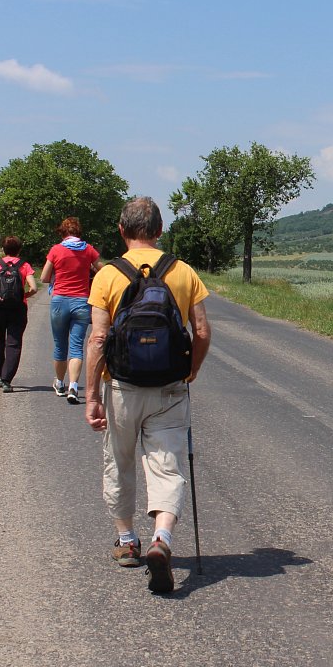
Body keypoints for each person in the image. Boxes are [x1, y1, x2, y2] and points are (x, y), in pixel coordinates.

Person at [83, 197, 211, 593]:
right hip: (170, 386)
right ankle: (162, 538)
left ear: (122, 230)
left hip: (122, 386)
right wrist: (191, 369)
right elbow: (202, 331)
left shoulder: (108, 274)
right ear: (160, 230)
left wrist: (92, 395)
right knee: (167, 467)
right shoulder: (183, 271)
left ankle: (126, 541)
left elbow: (98, 339)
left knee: (119, 462)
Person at [40, 217, 104, 405]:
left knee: (60, 345)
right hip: (82, 302)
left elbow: (44, 277)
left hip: (60, 301)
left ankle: (60, 383)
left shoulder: (56, 250)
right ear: (79, 232)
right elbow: (103, 271)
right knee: (76, 346)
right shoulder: (88, 249)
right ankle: (73, 387)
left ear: (63, 232)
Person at [0, 235, 39, 393]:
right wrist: (23, 296)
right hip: (18, 308)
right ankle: (7, 379)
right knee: (14, 343)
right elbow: (34, 288)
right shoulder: (24, 265)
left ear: (3, 249)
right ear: (19, 250)